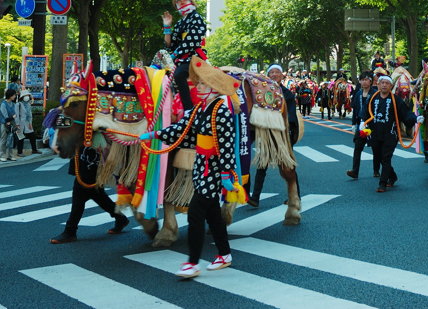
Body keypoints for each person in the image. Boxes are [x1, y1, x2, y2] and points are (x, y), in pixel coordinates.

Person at [143, 62, 242, 278]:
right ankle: (224, 254)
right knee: (213, 213)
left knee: (196, 214)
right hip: (201, 166)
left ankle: (192, 262)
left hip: (213, 170)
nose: (198, 86)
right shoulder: (198, 109)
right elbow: (181, 129)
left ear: (213, 89)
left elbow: (226, 146)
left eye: (203, 84)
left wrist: (226, 174)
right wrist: (153, 135)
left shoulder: (222, 111)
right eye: (198, 83)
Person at [49, 131, 129, 244]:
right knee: (97, 194)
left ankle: (70, 230)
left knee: (82, 191)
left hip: (95, 144)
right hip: (85, 144)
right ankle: (120, 218)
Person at [248, 65, 300, 207]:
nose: (274, 74)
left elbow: (290, 115)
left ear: (282, 75)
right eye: (271, 72)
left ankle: (296, 197)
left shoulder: (287, 93)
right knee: (261, 163)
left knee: (288, 166)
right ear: (267, 75)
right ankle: (255, 197)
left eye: (277, 72)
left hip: (281, 134)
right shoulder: (261, 91)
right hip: (266, 133)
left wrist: (288, 132)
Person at [364, 73, 417, 193]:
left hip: (390, 134)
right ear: (378, 84)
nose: (384, 85)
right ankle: (392, 176)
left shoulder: (396, 100)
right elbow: (365, 111)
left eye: (387, 83)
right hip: (375, 133)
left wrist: (415, 119)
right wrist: (362, 121)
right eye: (382, 83)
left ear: (391, 86)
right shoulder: (373, 98)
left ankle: (382, 183)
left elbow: (405, 113)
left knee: (386, 158)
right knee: (380, 158)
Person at [161, 0, 208, 112]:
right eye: (178, 0)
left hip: (194, 58)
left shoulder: (197, 18)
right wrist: (167, 27)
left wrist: (174, 55)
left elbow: (191, 41)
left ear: (190, 1)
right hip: (180, 59)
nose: (181, 2)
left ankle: (188, 110)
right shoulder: (180, 23)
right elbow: (170, 45)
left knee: (179, 75)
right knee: (155, 69)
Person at [347, 71, 379, 179]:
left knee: (375, 147)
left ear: (370, 81)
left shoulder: (375, 93)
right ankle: (355, 171)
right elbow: (355, 110)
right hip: (361, 124)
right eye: (362, 80)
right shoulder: (358, 94)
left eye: (366, 80)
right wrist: (354, 123)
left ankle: (376, 170)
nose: (364, 82)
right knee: (358, 147)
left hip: (372, 124)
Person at [14, 91, 42, 156]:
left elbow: (30, 115)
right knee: (21, 138)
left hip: (27, 123)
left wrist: (30, 123)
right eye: (25, 95)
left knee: (32, 136)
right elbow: (16, 115)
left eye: (27, 95)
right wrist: (17, 124)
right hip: (21, 124)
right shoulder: (18, 104)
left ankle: (34, 149)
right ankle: (19, 152)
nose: (26, 97)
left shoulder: (28, 104)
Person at [0, 89, 18, 162]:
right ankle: (2, 155)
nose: (15, 96)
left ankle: (10, 155)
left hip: (12, 123)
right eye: (14, 95)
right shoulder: (3, 104)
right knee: (3, 139)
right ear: (10, 96)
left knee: (11, 139)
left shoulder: (13, 104)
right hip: (5, 124)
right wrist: (12, 117)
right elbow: (5, 116)